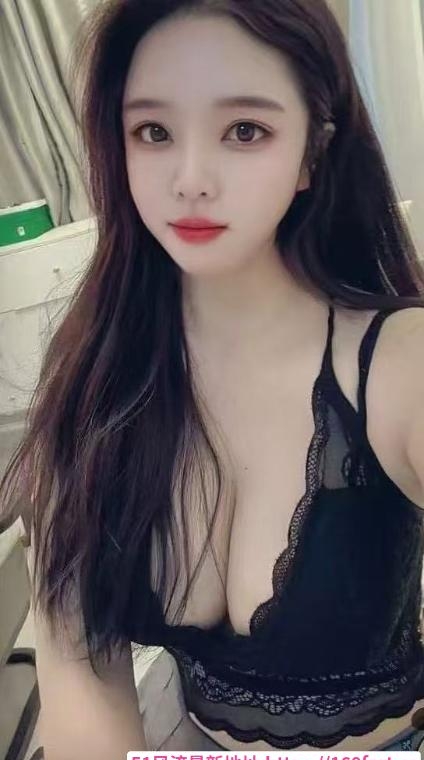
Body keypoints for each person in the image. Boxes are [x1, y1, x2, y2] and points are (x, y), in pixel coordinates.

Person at [2, 0, 424, 755]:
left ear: (312, 154)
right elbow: (84, 698)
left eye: (245, 130)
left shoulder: (399, 364)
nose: (190, 179)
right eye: (153, 132)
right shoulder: (94, 376)